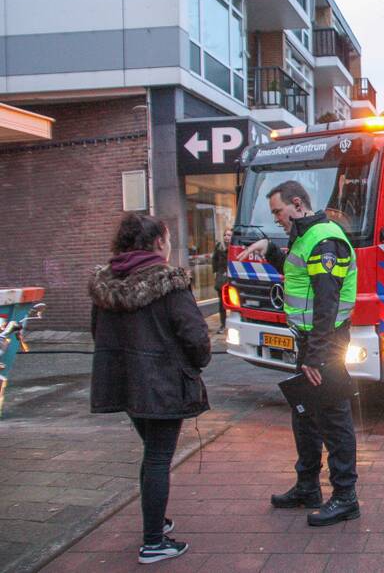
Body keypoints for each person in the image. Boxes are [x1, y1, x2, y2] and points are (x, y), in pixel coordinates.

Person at [89, 213, 211, 564]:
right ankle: (154, 543)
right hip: (163, 385)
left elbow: (97, 332)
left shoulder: (105, 285)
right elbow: (195, 336)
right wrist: (197, 362)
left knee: (152, 453)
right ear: (158, 242)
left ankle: (155, 520)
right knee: (158, 457)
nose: (170, 245)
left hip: (124, 383)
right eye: (168, 239)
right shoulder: (170, 283)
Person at [238, 180, 359, 526]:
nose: (276, 218)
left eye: (278, 211)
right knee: (305, 414)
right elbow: (300, 276)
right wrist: (269, 249)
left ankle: (346, 497)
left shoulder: (324, 239)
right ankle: (308, 486)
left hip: (327, 343)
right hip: (311, 341)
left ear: (296, 203)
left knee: (333, 418)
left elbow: (326, 302)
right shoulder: (305, 236)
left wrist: (315, 357)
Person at [212, 228, 232, 333]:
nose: (226, 237)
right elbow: (214, 260)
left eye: (229, 235)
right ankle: (223, 324)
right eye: (225, 235)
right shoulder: (219, 247)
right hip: (221, 279)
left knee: (234, 302)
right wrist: (215, 272)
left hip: (232, 279)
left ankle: (234, 324)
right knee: (222, 303)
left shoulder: (235, 248)